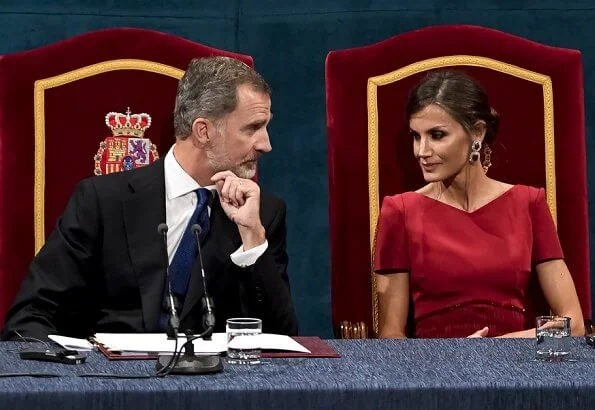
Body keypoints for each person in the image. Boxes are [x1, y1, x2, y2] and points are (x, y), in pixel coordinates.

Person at [2, 56, 298, 340]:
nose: (266, 144)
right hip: (108, 382)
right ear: (203, 131)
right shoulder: (102, 202)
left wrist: (253, 238)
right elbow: (30, 316)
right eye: (253, 128)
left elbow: (282, 338)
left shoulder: (263, 214)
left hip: (212, 386)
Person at [374, 70, 584, 338]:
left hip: (519, 372)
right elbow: (391, 337)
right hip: (436, 374)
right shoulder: (400, 211)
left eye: (437, 135)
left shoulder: (528, 203)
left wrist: (495, 349)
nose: (422, 152)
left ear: (477, 133)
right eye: (416, 136)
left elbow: (573, 323)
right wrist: (458, 358)